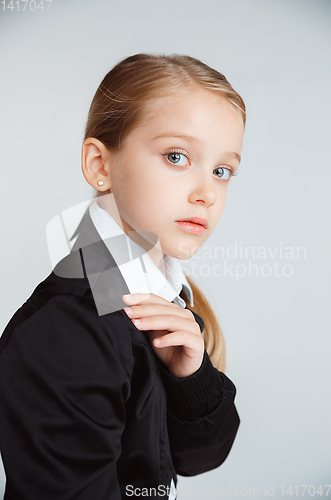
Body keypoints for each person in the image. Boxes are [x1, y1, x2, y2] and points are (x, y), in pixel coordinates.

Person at [0, 53, 245, 499]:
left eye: (222, 170)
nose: (207, 192)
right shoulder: (71, 326)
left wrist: (191, 379)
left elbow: (196, 459)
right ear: (99, 165)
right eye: (176, 156)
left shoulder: (170, 304)